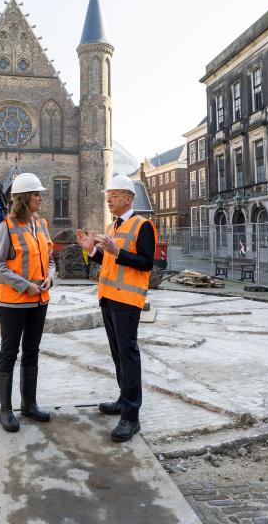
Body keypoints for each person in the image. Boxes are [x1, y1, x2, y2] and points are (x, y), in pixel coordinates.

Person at [76, 174, 157, 442]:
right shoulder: (112, 228)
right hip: (109, 298)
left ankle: (131, 417)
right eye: (108, 194)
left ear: (129, 198)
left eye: (114, 194)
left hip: (127, 301)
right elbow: (109, 261)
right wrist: (92, 251)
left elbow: (146, 263)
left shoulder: (142, 226)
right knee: (118, 355)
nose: (108, 198)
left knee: (128, 354)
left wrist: (117, 252)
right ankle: (124, 400)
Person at [0, 172, 55, 433]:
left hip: (40, 301)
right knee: (9, 352)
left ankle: (29, 404)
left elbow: (50, 259)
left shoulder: (41, 225)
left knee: (31, 351)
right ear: (23, 198)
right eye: (36, 194)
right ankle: (6, 410)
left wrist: (50, 278)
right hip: (13, 303)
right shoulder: (6, 227)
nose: (40, 198)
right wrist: (25, 285)